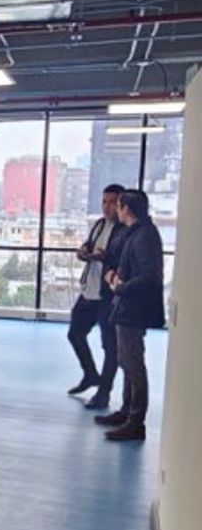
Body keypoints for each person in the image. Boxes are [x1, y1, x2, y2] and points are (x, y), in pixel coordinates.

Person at [95, 189, 165, 441]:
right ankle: (127, 413)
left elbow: (149, 276)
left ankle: (135, 422)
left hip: (133, 309)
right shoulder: (137, 232)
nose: (116, 210)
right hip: (127, 307)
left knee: (133, 365)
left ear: (126, 209)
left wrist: (119, 286)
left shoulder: (144, 235)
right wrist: (116, 276)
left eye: (118, 206)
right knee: (127, 362)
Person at [67, 184, 128, 409]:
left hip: (107, 295)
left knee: (110, 346)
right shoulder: (99, 224)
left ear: (121, 204)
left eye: (112, 202)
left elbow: (123, 261)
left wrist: (105, 257)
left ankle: (103, 394)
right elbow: (89, 246)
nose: (107, 206)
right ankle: (91, 374)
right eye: (104, 201)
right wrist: (84, 252)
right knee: (75, 334)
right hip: (89, 291)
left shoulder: (125, 230)